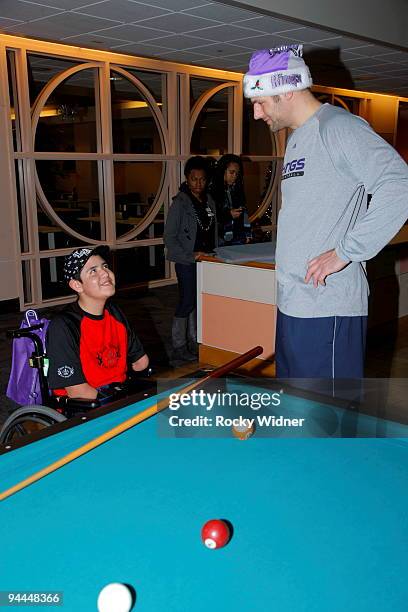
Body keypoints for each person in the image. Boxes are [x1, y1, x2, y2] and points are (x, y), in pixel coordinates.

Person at [244, 44, 408, 379]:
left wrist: (347, 252)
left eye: (259, 102)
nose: (257, 114)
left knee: (327, 420)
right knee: (299, 411)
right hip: (295, 304)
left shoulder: (337, 127)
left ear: (286, 92)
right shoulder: (297, 139)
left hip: (327, 305)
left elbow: (400, 185)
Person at [47, 246, 149, 399]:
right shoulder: (63, 325)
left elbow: (141, 362)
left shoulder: (114, 312)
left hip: (117, 394)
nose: (105, 273)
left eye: (105, 266)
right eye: (93, 271)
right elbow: (78, 392)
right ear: (77, 285)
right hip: (87, 407)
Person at [164, 156, 218, 366]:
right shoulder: (180, 203)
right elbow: (169, 237)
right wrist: (190, 255)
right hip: (187, 262)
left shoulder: (209, 201)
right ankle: (178, 346)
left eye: (202, 179)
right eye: (194, 179)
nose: (198, 184)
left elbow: (212, 230)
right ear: (187, 179)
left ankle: (195, 340)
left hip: (207, 261)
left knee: (199, 301)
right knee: (186, 301)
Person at [210, 154, 252, 245]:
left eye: (237, 173)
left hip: (238, 239)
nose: (235, 176)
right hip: (219, 241)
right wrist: (228, 215)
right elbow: (209, 218)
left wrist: (247, 233)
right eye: (231, 172)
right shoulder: (212, 190)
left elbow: (244, 213)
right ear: (222, 171)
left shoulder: (236, 189)